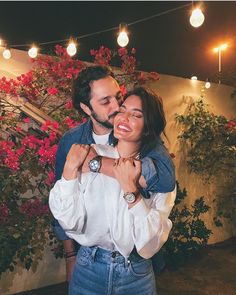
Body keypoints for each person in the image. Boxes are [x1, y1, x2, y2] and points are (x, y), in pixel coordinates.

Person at [52, 65, 175, 281]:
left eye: (118, 97)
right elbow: (63, 194)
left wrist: (97, 163)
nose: (117, 107)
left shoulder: (141, 137)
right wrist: (70, 256)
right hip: (90, 259)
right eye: (105, 101)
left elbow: (165, 180)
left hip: (136, 259)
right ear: (86, 108)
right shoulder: (72, 141)